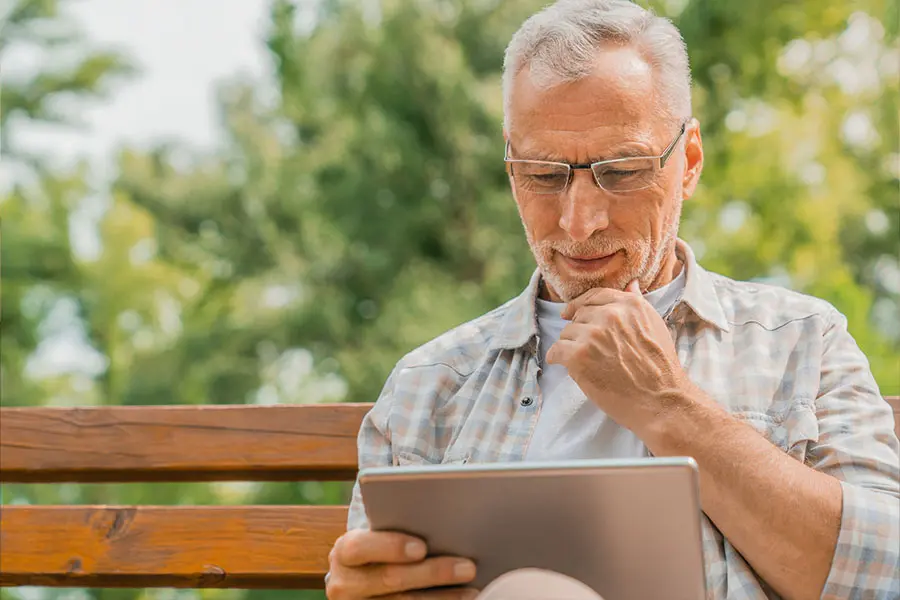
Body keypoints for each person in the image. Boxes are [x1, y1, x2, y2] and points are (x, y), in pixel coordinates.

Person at [324, 0, 900, 598]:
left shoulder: (802, 341)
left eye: (622, 170)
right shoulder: (428, 386)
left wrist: (668, 406)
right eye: (543, 174)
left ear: (690, 162)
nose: (579, 222)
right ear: (508, 166)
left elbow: (885, 575)